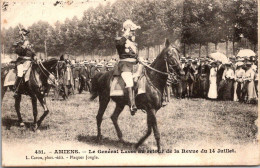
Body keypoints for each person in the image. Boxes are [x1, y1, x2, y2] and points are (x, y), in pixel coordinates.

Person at [115, 20, 141, 115]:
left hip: (135, 65)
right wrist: (126, 33)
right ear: (127, 31)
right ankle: (132, 105)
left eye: (134, 31)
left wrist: (139, 59)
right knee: (129, 82)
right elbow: (120, 44)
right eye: (132, 31)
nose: (134, 33)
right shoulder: (120, 40)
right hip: (125, 66)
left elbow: (135, 56)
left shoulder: (134, 44)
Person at [13, 28, 36, 97]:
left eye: (26, 34)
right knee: (20, 73)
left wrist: (34, 56)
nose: (25, 36)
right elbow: (18, 52)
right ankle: (16, 89)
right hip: (21, 61)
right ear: (20, 35)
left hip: (30, 61)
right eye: (23, 34)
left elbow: (32, 52)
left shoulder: (28, 42)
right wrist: (24, 46)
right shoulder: (18, 43)